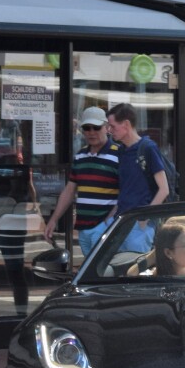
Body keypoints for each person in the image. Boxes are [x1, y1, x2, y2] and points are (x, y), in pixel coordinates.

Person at [43, 106, 121, 256]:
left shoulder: (119, 154)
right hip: (83, 228)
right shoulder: (80, 156)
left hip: (105, 226)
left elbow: (126, 191)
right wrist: (53, 220)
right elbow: (69, 190)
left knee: (101, 274)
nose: (91, 132)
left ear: (106, 128)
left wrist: (109, 220)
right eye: (87, 128)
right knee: (92, 275)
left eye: (96, 127)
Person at [106, 102, 168, 253]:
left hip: (139, 224)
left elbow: (164, 189)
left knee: (135, 270)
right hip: (121, 221)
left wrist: (144, 219)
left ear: (126, 124)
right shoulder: (122, 151)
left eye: (113, 126)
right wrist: (112, 216)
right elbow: (127, 187)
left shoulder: (147, 147)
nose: (109, 130)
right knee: (119, 271)